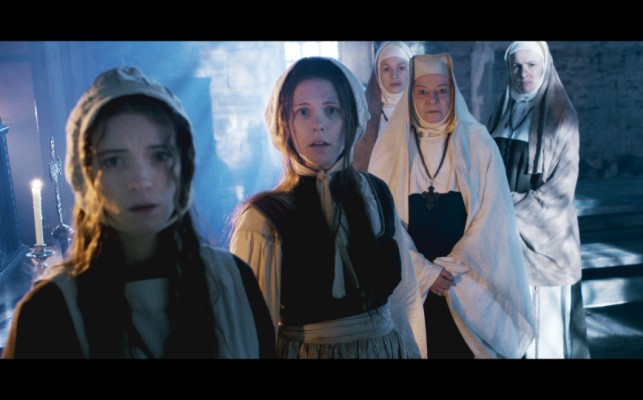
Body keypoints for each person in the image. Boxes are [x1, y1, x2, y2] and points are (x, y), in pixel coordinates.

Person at [2, 67, 275, 359]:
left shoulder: (235, 281)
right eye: (115, 161)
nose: (141, 181)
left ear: (183, 166)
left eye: (159, 156)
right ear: (86, 176)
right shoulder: (48, 310)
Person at [229, 57, 426, 359]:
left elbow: (403, 302)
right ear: (285, 123)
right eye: (303, 112)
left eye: (331, 110)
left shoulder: (376, 195)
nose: (318, 125)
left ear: (351, 118)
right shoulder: (265, 219)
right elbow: (249, 334)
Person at [369, 53, 534, 359]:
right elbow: (380, 220)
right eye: (423, 92)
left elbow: (493, 218)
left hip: (465, 281)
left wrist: (451, 268)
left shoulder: (478, 143)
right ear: (411, 96)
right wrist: (424, 272)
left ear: (453, 93)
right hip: (412, 283)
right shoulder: (390, 146)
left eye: (441, 91)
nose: (433, 100)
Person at [486, 41, 589, 359]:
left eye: (531, 65)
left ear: (545, 67)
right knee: (509, 334)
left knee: (544, 340)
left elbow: (557, 196)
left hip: (543, 243)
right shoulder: (500, 114)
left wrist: (502, 207)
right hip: (504, 242)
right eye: (516, 66)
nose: (523, 73)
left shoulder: (562, 118)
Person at [353, 41, 413, 171]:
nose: (394, 75)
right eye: (386, 69)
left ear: (412, 71)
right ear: (378, 75)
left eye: (401, 68)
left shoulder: (426, 112)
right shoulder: (363, 118)